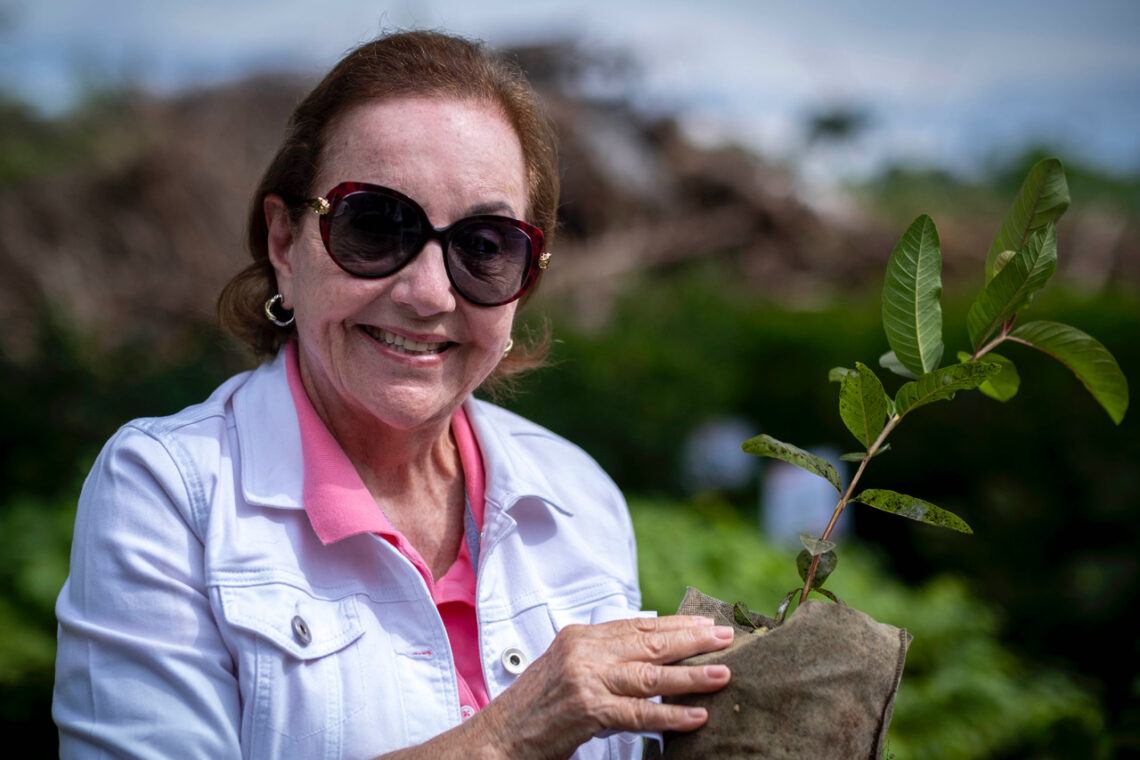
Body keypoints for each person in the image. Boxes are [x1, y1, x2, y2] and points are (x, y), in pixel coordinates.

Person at [52, 30, 733, 759]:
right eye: (375, 225)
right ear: (285, 243)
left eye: (484, 245)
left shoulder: (578, 498)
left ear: (524, 279)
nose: (427, 292)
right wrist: (509, 734)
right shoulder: (169, 493)